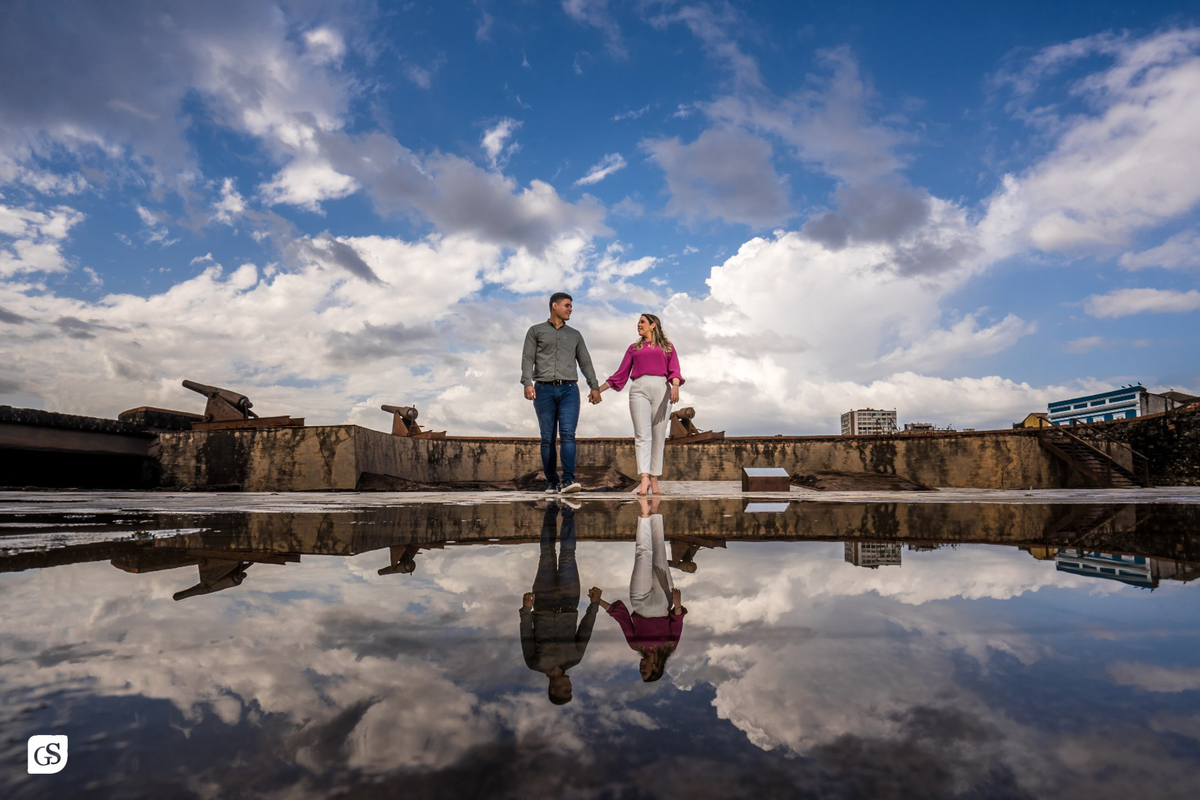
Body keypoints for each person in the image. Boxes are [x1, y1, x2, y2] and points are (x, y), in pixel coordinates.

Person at [591, 496, 686, 683]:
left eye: (640, 671)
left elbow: (623, 619)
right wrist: (677, 605)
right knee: (659, 550)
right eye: (645, 671)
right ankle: (656, 511)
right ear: (656, 668)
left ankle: (644, 513)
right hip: (662, 601)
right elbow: (677, 624)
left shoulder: (636, 646)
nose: (641, 668)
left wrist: (598, 601)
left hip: (639, 602)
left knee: (642, 554)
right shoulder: (669, 647)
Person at [593, 313, 684, 495]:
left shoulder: (667, 347)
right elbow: (621, 373)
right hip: (638, 389)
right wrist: (598, 389)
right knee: (642, 436)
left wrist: (675, 386)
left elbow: (674, 369)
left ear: (653, 325)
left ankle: (655, 480)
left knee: (658, 435)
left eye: (642, 322)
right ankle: (644, 479)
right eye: (638, 322)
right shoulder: (634, 348)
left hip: (662, 388)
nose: (638, 325)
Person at [521, 292, 603, 494]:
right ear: (554, 306)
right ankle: (551, 483)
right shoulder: (535, 331)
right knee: (547, 437)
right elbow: (527, 358)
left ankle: (568, 481)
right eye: (567, 305)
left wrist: (594, 386)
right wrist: (527, 382)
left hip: (569, 390)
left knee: (568, 435)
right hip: (543, 389)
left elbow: (585, 362)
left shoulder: (575, 335)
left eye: (571, 306)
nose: (570, 309)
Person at [520, 501, 598, 705]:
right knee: (567, 555)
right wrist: (594, 605)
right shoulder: (575, 659)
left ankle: (552, 509)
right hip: (569, 600)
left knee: (546, 554)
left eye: (566, 690)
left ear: (554, 689)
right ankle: (569, 511)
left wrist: (526, 610)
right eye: (570, 690)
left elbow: (527, 635)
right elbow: (585, 630)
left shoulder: (534, 664)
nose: (570, 686)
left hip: (542, 600)